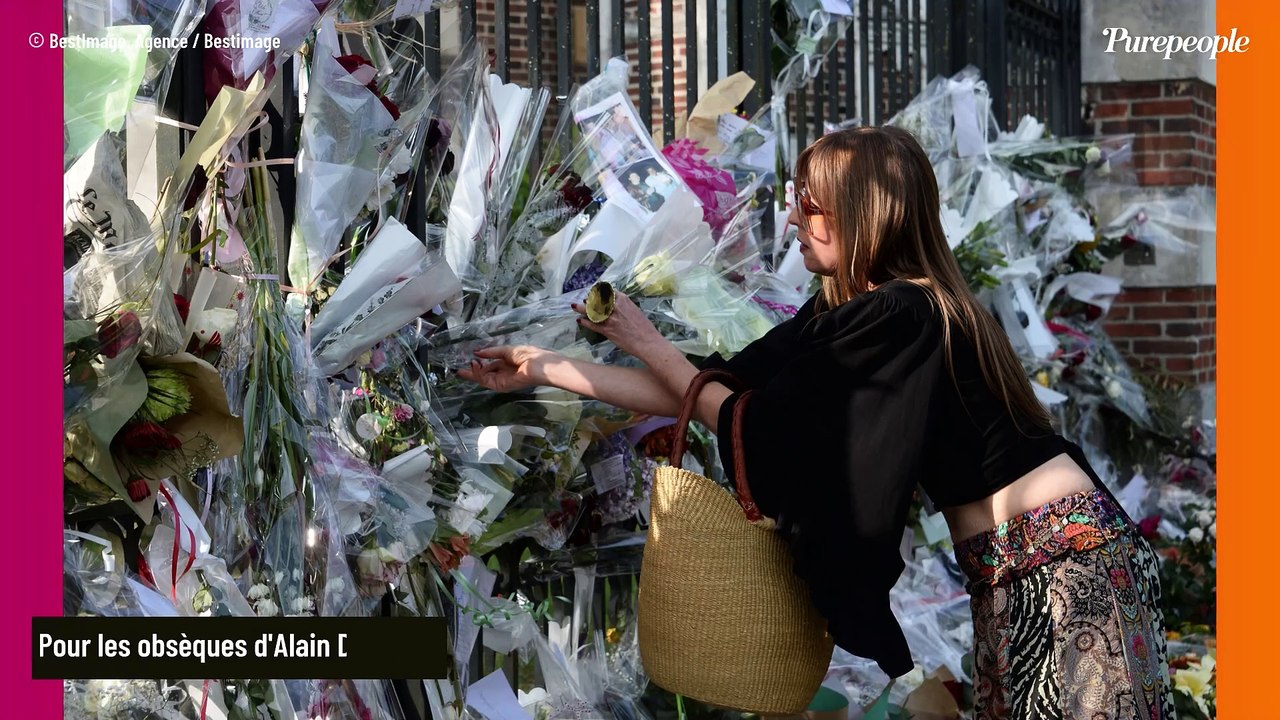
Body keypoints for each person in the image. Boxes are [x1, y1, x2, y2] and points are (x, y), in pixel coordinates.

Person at [458, 126, 1175, 719]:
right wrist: (541, 366)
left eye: (811, 204)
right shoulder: (857, 311)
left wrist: (645, 338)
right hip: (1026, 566)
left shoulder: (904, 312)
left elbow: (758, 429)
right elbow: (708, 387)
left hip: (1061, 566)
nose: (796, 220)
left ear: (866, 212)